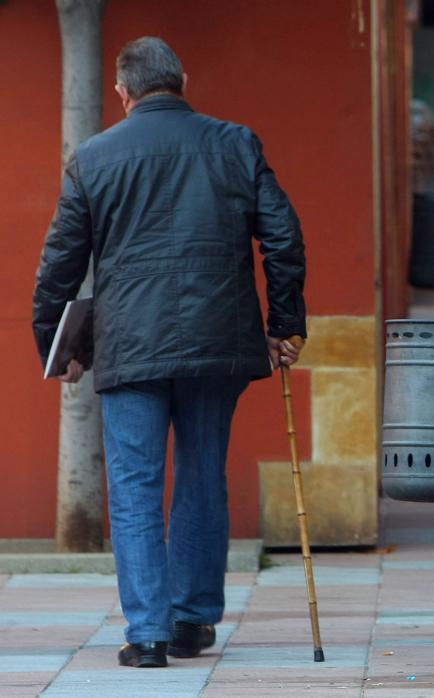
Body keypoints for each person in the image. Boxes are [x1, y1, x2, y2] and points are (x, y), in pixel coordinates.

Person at [31, 37, 306, 668]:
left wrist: (57, 346)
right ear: (181, 79)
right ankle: (193, 622)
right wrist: (286, 326)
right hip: (220, 339)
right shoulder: (236, 142)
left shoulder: (94, 158)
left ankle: (148, 634)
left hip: (130, 345)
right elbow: (285, 240)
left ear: (123, 92)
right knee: (203, 475)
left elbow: (58, 269)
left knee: (134, 484)